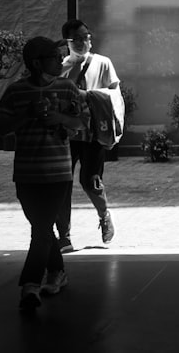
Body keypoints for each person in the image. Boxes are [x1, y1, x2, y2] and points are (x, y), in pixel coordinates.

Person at [0, 36, 88, 311]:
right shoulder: (16, 91)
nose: (60, 61)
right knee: (43, 229)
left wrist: (59, 119)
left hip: (58, 172)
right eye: (54, 57)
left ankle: (30, 285)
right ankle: (57, 272)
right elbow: (1, 126)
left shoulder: (68, 88)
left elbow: (82, 122)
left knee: (41, 230)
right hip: (26, 173)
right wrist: (29, 115)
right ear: (37, 63)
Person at [55, 19, 120, 252]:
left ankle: (104, 215)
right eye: (78, 38)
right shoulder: (60, 68)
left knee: (90, 180)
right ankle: (64, 235)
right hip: (67, 134)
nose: (84, 42)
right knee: (63, 184)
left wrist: (87, 95)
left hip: (93, 134)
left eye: (87, 36)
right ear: (67, 42)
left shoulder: (103, 63)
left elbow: (115, 97)